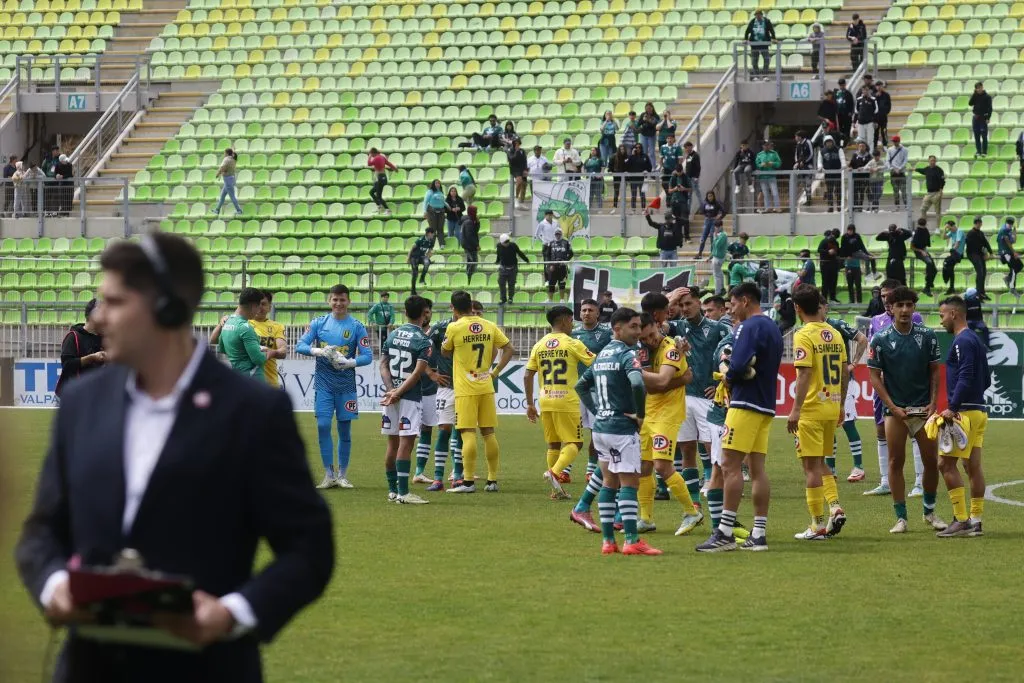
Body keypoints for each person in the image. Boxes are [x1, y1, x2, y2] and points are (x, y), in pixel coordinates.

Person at [16, 233, 334, 681]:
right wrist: (54, 586)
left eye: (114, 302)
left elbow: (309, 550)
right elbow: (41, 532)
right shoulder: (81, 403)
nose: (99, 317)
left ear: (165, 307)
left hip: (206, 668)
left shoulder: (254, 412)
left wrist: (230, 613)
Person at [696, 283, 783, 552]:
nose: (731, 311)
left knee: (728, 465)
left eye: (732, 305)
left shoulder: (748, 327)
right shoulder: (772, 327)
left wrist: (727, 373)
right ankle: (758, 534)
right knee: (757, 470)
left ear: (745, 301)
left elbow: (739, 364)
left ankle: (725, 532)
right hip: (766, 405)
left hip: (744, 404)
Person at [575, 307, 661, 555]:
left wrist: (597, 409)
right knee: (629, 483)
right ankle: (632, 540)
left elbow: (581, 385)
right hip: (622, 428)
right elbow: (636, 382)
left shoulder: (601, 356)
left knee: (609, 483)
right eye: (633, 326)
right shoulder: (626, 354)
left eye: (638, 326)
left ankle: (608, 541)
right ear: (617, 329)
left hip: (601, 428)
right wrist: (640, 415)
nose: (638, 331)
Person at [867, 286, 947, 534]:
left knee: (931, 462)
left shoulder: (928, 335)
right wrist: (891, 406)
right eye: (899, 305)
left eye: (908, 305)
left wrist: (934, 403)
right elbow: (874, 376)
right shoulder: (879, 339)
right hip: (895, 412)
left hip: (924, 410)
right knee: (895, 461)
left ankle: (929, 512)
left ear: (914, 308)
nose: (904, 310)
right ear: (890, 308)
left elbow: (935, 370)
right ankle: (901, 517)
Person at [296, 284, 373, 489]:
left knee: (344, 430)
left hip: (346, 385)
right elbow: (299, 346)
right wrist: (318, 351)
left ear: (348, 301)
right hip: (323, 384)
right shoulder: (318, 324)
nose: (338, 303)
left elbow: (368, 356)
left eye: (342, 300)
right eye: (335, 299)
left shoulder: (357, 326)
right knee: (322, 426)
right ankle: (328, 475)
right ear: (329, 301)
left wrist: (350, 362)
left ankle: (343, 475)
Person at [787, 284, 849, 540]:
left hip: (811, 410)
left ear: (797, 308)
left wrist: (795, 410)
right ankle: (835, 506)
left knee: (810, 468)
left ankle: (817, 525)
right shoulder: (834, 334)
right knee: (822, 463)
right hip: (831, 406)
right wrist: (842, 404)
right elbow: (845, 372)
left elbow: (804, 373)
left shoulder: (803, 334)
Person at [442, 290, 514, 493]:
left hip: (465, 388)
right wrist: (495, 372)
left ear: (454, 309)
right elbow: (509, 348)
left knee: (467, 432)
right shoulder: (489, 325)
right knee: (489, 432)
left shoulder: (454, 326)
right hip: (486, 384)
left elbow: (445, 351)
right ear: (471, 306)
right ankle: (492, 480)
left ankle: (468, 482)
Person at [672, 287, 731, 533]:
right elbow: (654, 319)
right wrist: (671, 299)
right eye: (681, 305)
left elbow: (730, 355)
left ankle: (722, 509)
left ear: (698, 303)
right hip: (683, 397)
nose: (685, 309)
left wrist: (719, 383)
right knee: (687, 450)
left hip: (708, 399)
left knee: (714, 453)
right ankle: (694, 506)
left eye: (689, 304)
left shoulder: (718, 328)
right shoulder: (677, 327)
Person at [524, 305, 597, 498]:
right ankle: (555, 472)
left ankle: (556, 490)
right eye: (571, 320)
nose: (573, 324)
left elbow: (527, 375)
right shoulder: (572, 343)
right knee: (575, 442)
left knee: (554, 445)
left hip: (545, 400)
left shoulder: (539, 345)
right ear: (564, 320)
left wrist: (530, 403)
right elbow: (596, 363)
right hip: (567, 400)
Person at [863, 279, 926, 497]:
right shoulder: (876, 321)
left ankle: (919, 481)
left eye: (890, 296)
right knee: (881, 430)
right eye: (883, 297)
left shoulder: (915, 318)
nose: (886, 301)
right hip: (884, 386)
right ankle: (885, 481)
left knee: (916, 430)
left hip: (909, 386)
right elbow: (873, 350)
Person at [634, 312, 694, 533]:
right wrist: (684, 379)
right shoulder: (643, 351)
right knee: (643, 466)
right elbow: (653, 386)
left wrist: (635, 371)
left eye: (651, 335)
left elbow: (660, 382)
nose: (649, 340)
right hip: (648, 414)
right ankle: (646, 519)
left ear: (657, 326)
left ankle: (692, 511)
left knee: (662, 465)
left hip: (668, 414)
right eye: (644, 338)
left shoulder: (672, 349)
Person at [935, 296, 989, 537]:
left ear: (954, 314)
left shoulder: (962, 340)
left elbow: (966, 374)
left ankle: (961, 518)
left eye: (942, 315)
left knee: (945, 464)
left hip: (964, 412)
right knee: (972, 466)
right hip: (978, 411)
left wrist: (953, 406)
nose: (941, 320)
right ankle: (976, 520)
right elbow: (985, 378)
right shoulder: (975, 340)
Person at [379, 295, 433, 505]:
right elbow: (418, 373)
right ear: (424, 313)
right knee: (406, 443)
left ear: (404, 312)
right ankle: (403, 493)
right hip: (409, 397)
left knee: (392, 444)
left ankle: (392, 490)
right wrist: (399, 392)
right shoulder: (423, 340)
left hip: (391, 396)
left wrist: (391, 390)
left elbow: (383, 364)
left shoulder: (393, 334)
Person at [822, 301, 869, 482]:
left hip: (843, 382)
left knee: (848, 423)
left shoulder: (837, 325)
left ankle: (858, 467)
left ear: (825, 307)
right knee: (828, 425)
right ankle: (830, 468)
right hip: (824, 384)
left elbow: (863, 339)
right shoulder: (811, 329)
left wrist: (854, 363)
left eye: (820, 306)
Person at [215, 287, 268, 381]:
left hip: (237, 377)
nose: (258, 312)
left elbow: (222, 348)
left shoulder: (227, 322)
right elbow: (258, 359)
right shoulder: (245, 328)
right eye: (258, 307)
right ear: (253, 306)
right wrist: (269, 353)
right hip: (253, 379)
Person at [55, 298, 106, 397]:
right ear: (91, 315)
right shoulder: (73, 336)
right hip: (75, 394)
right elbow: (67, 365)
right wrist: (91, 358)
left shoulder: (105, 338)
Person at [495, 233, 530, 304]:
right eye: (505, 242)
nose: (507, 243)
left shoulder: (513, 245)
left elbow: (520, 253)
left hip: (513, 268)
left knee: (511, 284)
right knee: (501, 283)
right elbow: (499, 254)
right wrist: (497, 261)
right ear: (501, 242)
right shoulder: (498, 246)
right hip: (503, 268)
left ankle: (510, 298)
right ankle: (503, 299)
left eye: (508, 241)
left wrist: (526, 260)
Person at [965, 217, 994, 300]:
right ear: (976, 223)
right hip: (973, 254)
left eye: (980, 223)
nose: (979, 224)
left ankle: (982, 293)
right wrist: (984, 253)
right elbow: (972, 245)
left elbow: (985, 243)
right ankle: (978, 295)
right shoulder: (971, 233)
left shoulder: (980, 233)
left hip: (979, 254)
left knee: (983, 273)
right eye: (978, 223)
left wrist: (990, 252)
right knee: (980, 273)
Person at [543, 228, 574, 302]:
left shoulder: (566, 243)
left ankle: (562, 299)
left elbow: (571, 253)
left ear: (561, 234)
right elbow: (547, 255)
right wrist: (550, 265)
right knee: (551, 283)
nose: (558, 236)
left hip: (562, 267)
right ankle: (550, 299)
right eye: (556, 234)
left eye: (559, 234)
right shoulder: (550, 243)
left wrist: (565, 260)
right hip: (553, 267)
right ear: (554, 235)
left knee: (562, 283)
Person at [744, 9, 776, 79]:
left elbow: (771, 30)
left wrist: (773, 38)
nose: (757, 16)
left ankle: (765, 75)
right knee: (754, 61)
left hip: (764, 44)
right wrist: (746, 39)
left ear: (761, 15)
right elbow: (747, 31)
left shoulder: (767, 21)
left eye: (759, 15)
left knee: (766, 60)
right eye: (756, 15)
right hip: (754, 44)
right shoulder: (752, 21)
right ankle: (756, 76)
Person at [916, 155, 945, 226]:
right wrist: (914, 169)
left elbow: (942, 181)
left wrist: (940, 192)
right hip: (928, 193)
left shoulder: (939, 170)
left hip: (936, 193)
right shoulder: (927, 169)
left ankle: (937, 228)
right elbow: (921, 170)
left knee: (937, 212)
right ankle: (923, 225)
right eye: (931, 160)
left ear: (935, 161)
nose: (932, 162)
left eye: (934, 160)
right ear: (928, 161)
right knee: (923, 209)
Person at [367, 147, 397, 215]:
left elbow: (369, 164)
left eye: (371, 153)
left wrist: (369, 157)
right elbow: (389, 163)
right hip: (382, 178)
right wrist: (395, 169)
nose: (370, 155)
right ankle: (379, 206)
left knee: (378, 196)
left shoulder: (376, 158)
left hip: (380, 178)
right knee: (372, 192)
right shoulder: (382, 157)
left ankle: (388, 210)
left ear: (373, 153)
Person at [695, 190, 726, 258]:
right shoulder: (704, 203)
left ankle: (712, 254)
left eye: (711, 196)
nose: (710, 197)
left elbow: (724, 211)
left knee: (712, 238)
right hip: (707, 221)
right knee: (703, 237)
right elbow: (701, 211)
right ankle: (699, 253)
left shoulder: (717, 203)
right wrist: (706, 215)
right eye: (708, 196)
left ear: (713, 196)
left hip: (713, 222)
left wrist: (719, 217)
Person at [911, 218, 937, 295]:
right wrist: (921, 251)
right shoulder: (916, 232)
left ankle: (929, 282)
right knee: (929, 263)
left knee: (934, 270)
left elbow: (926, 244)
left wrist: (924, 251)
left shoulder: (926, 231)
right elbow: (912, 247)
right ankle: (927, 287)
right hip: (918, 252)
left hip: (924, 250)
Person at [755, 140, 782, 213]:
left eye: (768, 145)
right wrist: (761, 165)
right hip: (763, 177)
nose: (766, 146)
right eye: (765, 145)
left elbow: (779, 163)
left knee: (775, 192)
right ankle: (768, 208)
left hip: (771, 176)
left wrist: (772, 163)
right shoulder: (759, 154)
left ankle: (777, 207)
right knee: (765, 193)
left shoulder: (774, 153)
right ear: (762, 146)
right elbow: (757, 164)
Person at [997, 217, 1022, 294]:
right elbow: (1007, 242)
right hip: (1005, 253)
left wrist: (1015, 232)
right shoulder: (1003, 230)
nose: (1010, 225)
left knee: (1020, 265)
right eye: (1009, 223)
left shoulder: (1009, 230)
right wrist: (1014, 252)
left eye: (1011, 224)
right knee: (1014, 268)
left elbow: (1013, 241)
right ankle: (1012, 288)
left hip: (1009, 252)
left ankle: (1008, 278)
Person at [214, 148, 242, 216]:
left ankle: (239, 210)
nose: (224, 154)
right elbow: (234, 153)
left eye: (224, 153)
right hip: (231, 179)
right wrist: (233, 149)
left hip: (227, 180)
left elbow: (222, 167)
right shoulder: (233, 158)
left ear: (226, 153)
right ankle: (217, 210)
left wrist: (218, 174)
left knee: (232, 196)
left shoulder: (226, 159)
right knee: (222, 196)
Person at [408, 226, 436, 294]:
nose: (433, 235)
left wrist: (429, 256)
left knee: (427, 262)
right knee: (415, 273)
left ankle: (422, 279)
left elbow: (429, 251)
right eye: (433, 234)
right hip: (414, 257)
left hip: (421, 257)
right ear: (429, 233)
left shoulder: (431, 241)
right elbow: (411, 248)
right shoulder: (420, 240)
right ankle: (413, 290)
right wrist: (408, 258)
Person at [942, 219, 967, 294]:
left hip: (958, 254)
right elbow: (944, 237)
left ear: (953, 226)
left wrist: (952, 250)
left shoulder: (959, 231)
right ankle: (951, 287)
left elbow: (957, 243)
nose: (949, 230)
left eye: (950, 228)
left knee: (946, 262)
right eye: (948, 228)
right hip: (954, 253)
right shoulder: (952, 231)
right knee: (950, 268)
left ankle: (946, 279)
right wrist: (944, 229)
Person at [968, 81, 992, 158]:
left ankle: (984, 151)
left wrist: (988, 118)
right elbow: (970, 103)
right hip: (976, 118)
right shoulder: (975, 96)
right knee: (976, 135)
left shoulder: (987, 97)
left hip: (983, 118)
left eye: (979, 88)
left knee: (984, 136)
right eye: (977, 88)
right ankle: (978, 151)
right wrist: (974, 94)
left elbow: (990, 108)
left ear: (982, 87)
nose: (978, 89)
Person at [625, 142, 651, 211]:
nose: (638, 149)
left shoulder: (645, 156)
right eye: (636, 147)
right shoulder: (631, 157)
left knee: (642, 195)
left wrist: (646, 171)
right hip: (633, 179)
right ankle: (633, 209)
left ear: (641, 148)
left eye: (639, 147)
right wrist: (632, 155)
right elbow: (626, 165)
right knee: (633, 195)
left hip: (642, 179)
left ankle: (643, 209)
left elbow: (649, 167)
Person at [421, 179, 447, 248]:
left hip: (441, 212)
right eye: (436, 183)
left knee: (440, 228)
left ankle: (442, 244)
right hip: (432, 212)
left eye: (439, 183)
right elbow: (425, 202)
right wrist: (424, 211)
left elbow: (444, 202)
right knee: (433, 229)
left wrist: (450, 207)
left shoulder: (441, 192)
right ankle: (430, 244)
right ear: (433, 184)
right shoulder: (430, 192)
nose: (438, 184)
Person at [818, 228, 841, 303]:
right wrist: (828, 252)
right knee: (825, 283)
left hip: (833, 264)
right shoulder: (824, 241)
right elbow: (819, 250)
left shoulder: (836, 243)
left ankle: (832, 298)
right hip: (825, 264)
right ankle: (824, 299)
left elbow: (838, 252)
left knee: (834, 282)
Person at [666, 165, 692, 232]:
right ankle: (675, 234)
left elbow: (691, 189)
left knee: (685, 218)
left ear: (682, 170)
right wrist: (675, 189)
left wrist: (684, 189)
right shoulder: (673, 178)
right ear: (675, 171)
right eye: (678, 172)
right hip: (674, 201)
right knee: (674, 218)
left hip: (683, 201)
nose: (679, 173)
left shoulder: (686, 177)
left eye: (680, 171)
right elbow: (669, 190)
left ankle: (687, 236)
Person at [820, 136, 843, 212]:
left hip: (838, 173)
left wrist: (843, 166)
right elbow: (819, 161)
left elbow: (842, 159)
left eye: (830, 142)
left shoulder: (839, 149)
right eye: (827, 142)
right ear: (825, 143)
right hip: (828, 174)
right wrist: (820, 167)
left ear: (833, 142)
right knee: (829, 191)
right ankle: (830, 207)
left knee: (838, 190)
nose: (829, 143)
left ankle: (839, 206)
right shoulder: (822, 151)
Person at [849, 141, 872, 211]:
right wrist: (850, 167)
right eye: (860, 146)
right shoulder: (855, 155)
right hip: (855, 177)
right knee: (855, 192)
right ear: (858, 147)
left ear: (865, 147)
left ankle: (860, 207)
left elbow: (871, 165)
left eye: (863, 146)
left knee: (862, 192)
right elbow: (851, 164)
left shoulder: (869, 156)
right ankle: (855, 206)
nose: (861, 148)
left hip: (865, 177)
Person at [886, 136, 909, 208]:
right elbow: (887, 160)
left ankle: (906, 205)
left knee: (903, 190)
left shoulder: (905, 150)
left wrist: (899, 168)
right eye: (893, 141)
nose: (894, 142)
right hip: (893, 172)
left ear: (899, 141)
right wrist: (892, 168)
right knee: (895, 190)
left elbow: (905, 160)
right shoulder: (889, 149)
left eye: (895, 141)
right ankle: (897, 205)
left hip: (901, 172)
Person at [794, 130, 815, 206]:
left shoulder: (808, 142)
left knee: (808, 183)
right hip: (801, 167)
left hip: (808, 166)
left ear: (800, 137)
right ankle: (807, 199)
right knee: (803, 183)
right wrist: (797, 162)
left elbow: (811, 154)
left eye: (796, 136)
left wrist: (805, 161)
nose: (795, 138)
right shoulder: (798, 144)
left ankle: (809, 200)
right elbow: (796, 155)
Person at [854, 85, 878, 150]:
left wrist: (875, 122)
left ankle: (870, 154)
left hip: (870, 122)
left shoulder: (873, 99)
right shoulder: (858, 100)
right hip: (861, 123)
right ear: (862, 91)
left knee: (870, 139)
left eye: (867, 90)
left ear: (869, 91)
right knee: (861, 140)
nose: (865, 91)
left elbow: (876, 111)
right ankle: (862, 153)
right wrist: (854, 122)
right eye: (864, 90)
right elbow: (856, 111)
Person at [637, 102, 660, 169]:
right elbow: (638, 123)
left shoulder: (656, 116)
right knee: (644, 152)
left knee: (652, 152)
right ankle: (645, 167)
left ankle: (653, 167)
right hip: (643, 135)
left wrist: (648, 120)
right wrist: (643, 120)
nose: (648, 110)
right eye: (647, 109)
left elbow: (655, 124)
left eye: (649, 108)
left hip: (651, 135)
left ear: (652, 108)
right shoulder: (643, 115)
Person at [461, 204, 481, 277]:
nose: (477, 213)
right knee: (473, 262)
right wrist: (477, 245)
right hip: (469, 246)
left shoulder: (471, 221)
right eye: (476, 211)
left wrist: (478, 223)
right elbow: (470, 236)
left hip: (469, 245)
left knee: (471, 262)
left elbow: (475, 231)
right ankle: (469, 278)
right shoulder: (469, 222)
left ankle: (469, 277)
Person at [507, 138, 528, 209]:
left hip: (522, 169)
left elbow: (525, 161)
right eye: (516, 143)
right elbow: (512, 160)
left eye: (518, 143)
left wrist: (525, 169)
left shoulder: (522, 151)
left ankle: (521, 202)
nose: (517, 145)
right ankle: (516, 199)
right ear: (513, 144)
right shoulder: (510, 150)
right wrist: (516, 151)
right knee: (519, 181)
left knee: (524, 185)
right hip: (515, 169)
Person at [682, 141, 701, 213]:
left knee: (697, 193)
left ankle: (702, 208)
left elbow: (698, 167)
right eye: (685, 148)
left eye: (687, 148)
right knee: (689, 195)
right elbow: (688, 167)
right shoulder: (688, 156)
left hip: (693, 178)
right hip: (688, 178)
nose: (686, 150)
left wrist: (696, 177)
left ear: (690, 147)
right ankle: (688, 210)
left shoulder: (695, 155)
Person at [835, 79, 855, 148]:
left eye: (842, 85)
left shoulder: (848, 93)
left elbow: (852, 104)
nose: (841, 86)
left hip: (847, 114)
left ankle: (847, 141)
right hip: (839, 114)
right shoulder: (837, 93)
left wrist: (850, 112)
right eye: (840, 85)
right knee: (840, 129)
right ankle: (841, 142)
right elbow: (835, 103)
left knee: (847, 128)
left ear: (845, 84)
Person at [608, 143, 629, 209]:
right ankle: (615, 206)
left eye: (623, 149)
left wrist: (627, 171)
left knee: (623, 192)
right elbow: (610, 166)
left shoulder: (627, 157)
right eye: (621, 149)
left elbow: (629, 166)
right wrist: (611, 171)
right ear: (618, 150)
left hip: (624, 177)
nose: (622, 150)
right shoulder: (613, 156)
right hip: (616, 177)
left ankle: (623, 205)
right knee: (616, 192)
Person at [710, 221, 729, 294]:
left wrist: (715, 237)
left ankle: (717, 292)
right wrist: (710, 257)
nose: (716, 228)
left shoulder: (723, 235)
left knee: (716, 276)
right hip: (715, 257)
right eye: (715, 226)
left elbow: (717, 245)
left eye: (718, 226)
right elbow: (714, 248)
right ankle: (722, 288)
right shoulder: (719, 235)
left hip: (719, 258)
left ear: (721, 226)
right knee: (719, 273)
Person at [866, 147, 886, 212]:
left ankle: (873, 206)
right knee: (874, 194)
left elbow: (887, 166)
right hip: (872, 180)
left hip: (880, 181)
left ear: (879, 156)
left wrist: (878, 168)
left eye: (877, 156)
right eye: (875, 156)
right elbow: (865, 167)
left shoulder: (882, 161)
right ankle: (875, 208)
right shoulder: (871, 161)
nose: (876, 158)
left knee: (879, 193)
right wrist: (869, 168)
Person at [874, 81, 892, 149]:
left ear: (882, 86)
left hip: (883, 117)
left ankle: (885, 145)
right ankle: (875, 146)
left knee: (883, 131)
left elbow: (889, 106)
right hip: (875, 118)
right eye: (877, 86)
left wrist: (885, 112)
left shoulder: (886, 95)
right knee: (875, 133)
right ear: (876, 87)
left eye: (880, 86)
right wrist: (876, 96)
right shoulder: (873, 95)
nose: (879, 87)